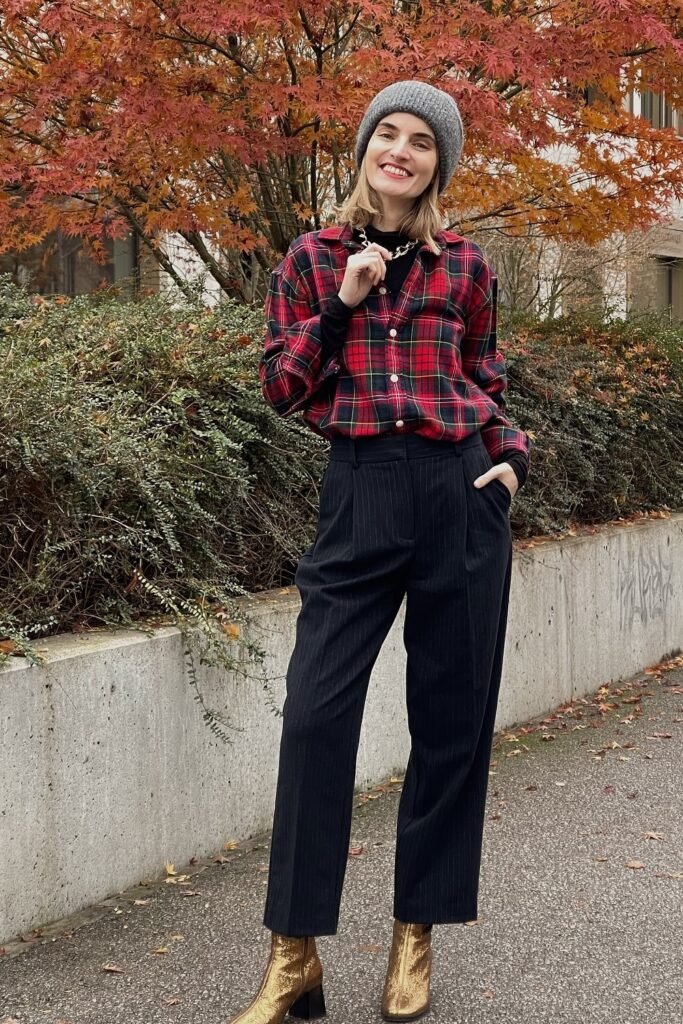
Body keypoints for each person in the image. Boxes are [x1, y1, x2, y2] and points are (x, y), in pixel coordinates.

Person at [229, 80, 531, 1024]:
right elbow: (279, 387)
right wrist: (342, 307)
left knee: (452, 723)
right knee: (315, 717)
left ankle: (415, 936)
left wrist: (510, 464)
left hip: (459, 494)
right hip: (359, 493)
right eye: (385, 135)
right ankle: (293, 953)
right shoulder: (312, 258)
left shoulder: (469, 266)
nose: (398, 150)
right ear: (362, 149)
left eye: (420, 141)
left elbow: (486, 377)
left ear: (438, 164)